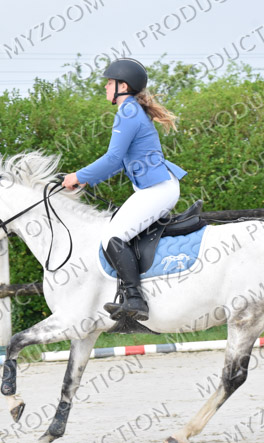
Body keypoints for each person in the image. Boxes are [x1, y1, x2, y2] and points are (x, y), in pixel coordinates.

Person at [62, 58, 186, 321]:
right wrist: (86, 180)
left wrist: (78, 175)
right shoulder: (131, 110)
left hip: (158, 189)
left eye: (109, 82)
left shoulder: (128, 112)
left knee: (112, 236)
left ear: (123, 86)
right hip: (157, 187)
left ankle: (135, 300)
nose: (105, 87)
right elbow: (119, 162)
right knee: (117, 233)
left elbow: (112, 158)